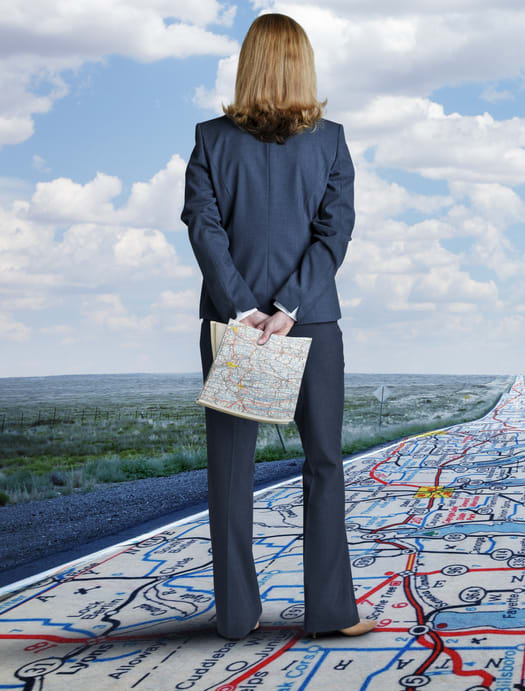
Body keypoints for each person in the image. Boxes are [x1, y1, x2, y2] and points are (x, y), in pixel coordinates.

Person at [181, 12, 376, 642]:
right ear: (304, 65)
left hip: (231, 324)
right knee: (322, 464)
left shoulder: (210, 139)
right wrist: (288, 307)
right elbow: (334, 234)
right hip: (312, 321)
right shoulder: (333, 141)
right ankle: (332, 613)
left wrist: (242, 309)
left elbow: (203, 230)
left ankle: (236, 616)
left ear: (246, 64)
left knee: (230, 472)